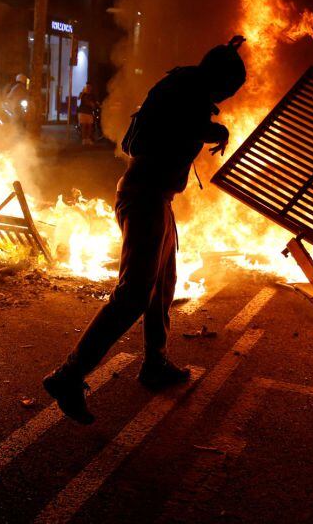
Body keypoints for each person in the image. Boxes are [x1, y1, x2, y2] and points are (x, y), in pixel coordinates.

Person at [43, 35, 246, 424]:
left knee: (163, 284)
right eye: (229, 87)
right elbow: (168, 128)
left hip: (157, 198)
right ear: (219, 78)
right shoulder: (184, 89)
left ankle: (155, 362)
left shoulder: (185, 87)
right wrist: (211, 131)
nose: (229, 95)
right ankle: (68, 375)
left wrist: (208, 128)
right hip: (144, 196)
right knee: (134, 294)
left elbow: (177, 124)